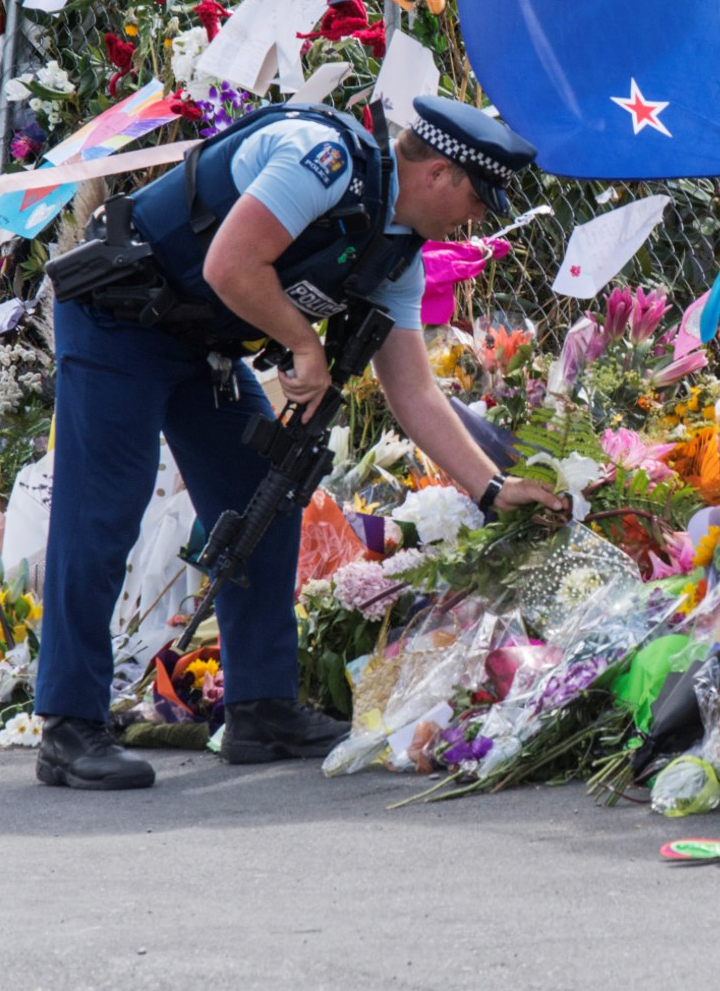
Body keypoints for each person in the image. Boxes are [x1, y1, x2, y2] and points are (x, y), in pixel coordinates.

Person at [34, 97, 563, 791]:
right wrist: (302, 342)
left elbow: (413, 392)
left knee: (267, 489)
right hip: (119, 317)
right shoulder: (323, 160)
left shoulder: (394, 252)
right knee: (102, 512)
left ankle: (261, 707)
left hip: (200, 344)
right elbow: (230, 263)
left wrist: (492, 488)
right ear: (438, 173)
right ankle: (69, 725)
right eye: (476, 199)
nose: (477, 219)